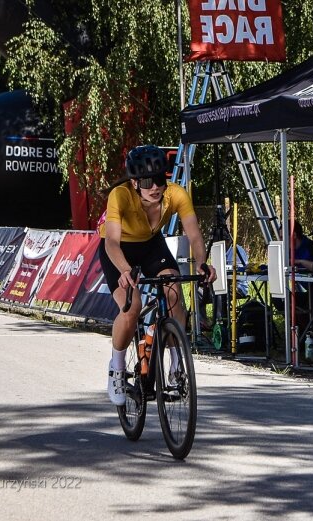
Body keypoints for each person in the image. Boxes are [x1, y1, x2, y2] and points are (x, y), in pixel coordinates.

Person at [99, 145, 216, 406]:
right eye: (147, 182)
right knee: (133, 306)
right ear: (134, 183)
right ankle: (117, 368)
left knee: (173, 289)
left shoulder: (176, 194)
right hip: (119, 249)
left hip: (151, 245)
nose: (155, 187)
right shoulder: (120, 195)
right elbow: (112, 243)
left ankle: (176, 363)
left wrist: (202, 263)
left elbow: (194, 234)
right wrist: (125, 271)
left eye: (160, 179)